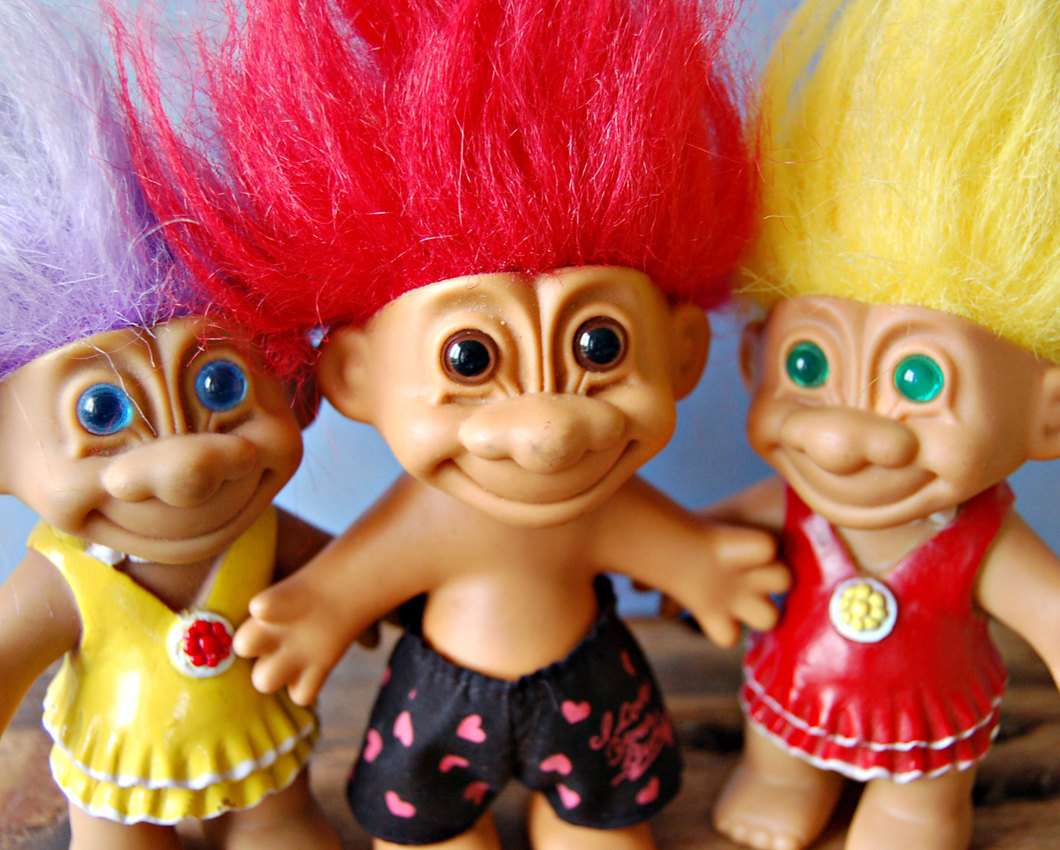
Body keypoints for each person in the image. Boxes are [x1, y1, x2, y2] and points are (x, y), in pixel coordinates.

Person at [120, 0, 790, 846]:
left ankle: (584, 820)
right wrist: (320, 609)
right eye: (470, 360)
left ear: (683, 354)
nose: (548, 431)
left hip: (592, 687)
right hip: (439, 701)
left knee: (603, 822)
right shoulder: (428, 518)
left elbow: (659, 540)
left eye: (600, 345)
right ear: (356, 377)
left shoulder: (603, 505)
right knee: (429, 827)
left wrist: (704, 568)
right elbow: (358, 575)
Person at [708, 0, 1060, 848]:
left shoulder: (983, 541)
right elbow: (713, 536)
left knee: (920, 799)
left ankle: (911, 812)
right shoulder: (793, 503)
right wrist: (691, 553)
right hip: (796, 690)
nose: (840, 437)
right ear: (755, 358)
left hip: (926, 720)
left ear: (1049, 416)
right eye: (807, 366)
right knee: (779, 756)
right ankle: (782, 776)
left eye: (917, 378)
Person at [0, 2, 339, 846]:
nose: (186, 464)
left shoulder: (269, 536)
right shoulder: (62, 576)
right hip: (119, 768)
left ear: (295, 386)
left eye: (220, 383)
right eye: (103, 411)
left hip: (259, 752)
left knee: (279, 828)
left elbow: (350, 577)